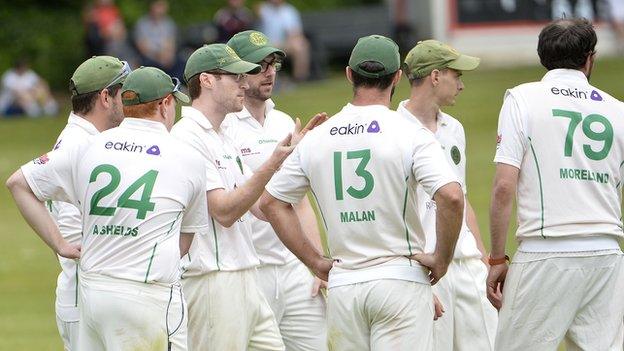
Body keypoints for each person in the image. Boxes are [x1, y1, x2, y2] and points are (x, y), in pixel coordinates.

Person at [260, 34, 465, 351]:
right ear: (397, 77)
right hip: (400, 282)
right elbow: (452, 196)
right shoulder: (411, 133)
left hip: (344, 285)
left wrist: (315, 261)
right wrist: (442, 259)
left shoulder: (317, 137)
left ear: (349, 75)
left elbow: (272, 203)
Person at [6, 66, 209, 351]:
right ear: (164, 105)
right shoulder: (187, 157)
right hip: (147, 295)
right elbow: (184, 241)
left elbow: (18, 182)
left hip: (93, 294)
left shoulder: (88, 146)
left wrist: (61, 245)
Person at [170, 43, 325, 350]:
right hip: (212, 279)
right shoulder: (187, 136)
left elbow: (259, 207)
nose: (243, 83)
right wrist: (274, 162)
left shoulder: (222, 136)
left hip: (243, 275)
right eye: (234, 77)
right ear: (207, 81)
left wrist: (293, 171)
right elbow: (225, 212)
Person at [488, 18, 624, 350]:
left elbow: (504, 187)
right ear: (589, 58)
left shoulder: (522, 99)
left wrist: (496, 259)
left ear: (542, 57)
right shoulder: (618, 110)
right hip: (607, 253)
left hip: (546, 251)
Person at [225, 30, 327, 351]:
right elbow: (252, 205)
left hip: (293, 267)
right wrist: (279, 162)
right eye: (259, 66)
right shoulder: (224, 125)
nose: (269, 72)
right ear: (237, 74)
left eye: (273, 64)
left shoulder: (283, 121)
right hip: (250, 270)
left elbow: (300, 203)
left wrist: (317, 263)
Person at [397, 39, 497, 351]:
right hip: (426, 269)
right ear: (435, 76)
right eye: (457, 75)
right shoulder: (393, 131)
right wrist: (411, 281)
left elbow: (461, 198)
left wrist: (484, 261)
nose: (462, 85)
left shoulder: (455, 128)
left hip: (466, 264)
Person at [45, 55, 129, 351]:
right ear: (106, 97)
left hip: (95, 299)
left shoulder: (92, 141)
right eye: (123, 91)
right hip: (85, 302)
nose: (129, 99)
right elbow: (73, 238)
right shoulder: (77, 146)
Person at [258, 0, 310, 81]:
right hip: (267, 43)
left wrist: (293, 40)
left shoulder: (289, 11)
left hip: (285, 43)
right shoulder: (263, 9)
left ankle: (300, 78)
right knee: (270, 49)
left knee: (300, 46)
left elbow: (295, 32)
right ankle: (272, 80)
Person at [134, 0, 182, 79]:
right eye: (159, 6)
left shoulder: (169, 23)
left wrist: (168, 54)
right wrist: (158, 54)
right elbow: (142, 47)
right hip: (150, 58)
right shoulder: (142, 24)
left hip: (166, 57)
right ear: (152, 6)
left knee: (181, 62)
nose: (162, 9)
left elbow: (171, 43)